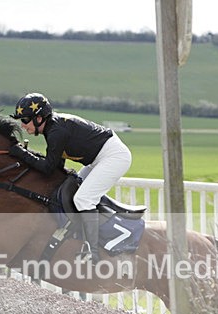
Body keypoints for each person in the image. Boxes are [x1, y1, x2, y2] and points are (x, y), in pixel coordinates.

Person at [8, 92, 132, 263]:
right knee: (74, 191)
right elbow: (55, 166)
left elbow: (48, 168)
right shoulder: (51, 128)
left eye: (25, 120)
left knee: (83, 199)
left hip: (114, 156)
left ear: (39, 118)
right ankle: (83, 235)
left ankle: (93, 253)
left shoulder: (56, 131)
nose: (22, 126)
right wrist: (26, 154)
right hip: (100, 157)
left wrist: (22, 154)